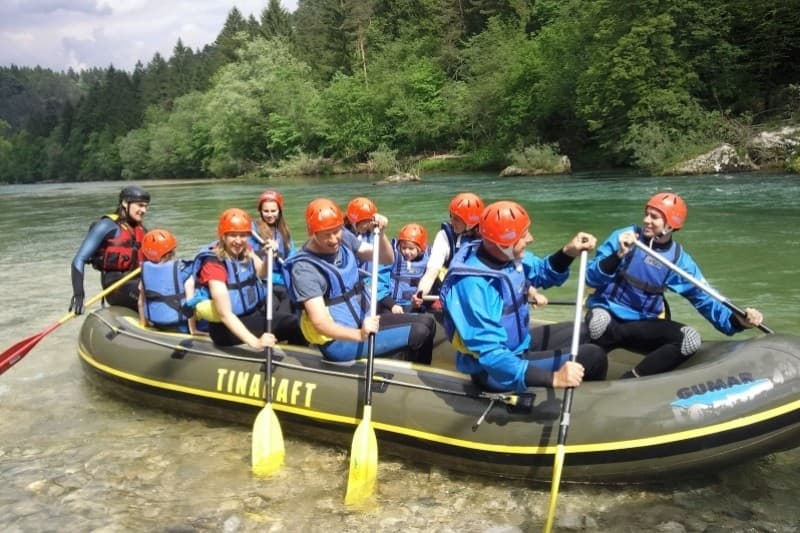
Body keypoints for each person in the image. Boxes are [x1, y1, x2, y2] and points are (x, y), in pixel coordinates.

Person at [584, 192, 764, 378]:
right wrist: (618, 255)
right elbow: (590, 278)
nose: (646, 220)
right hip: (607, 313)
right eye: (646, 214)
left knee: (690, 339)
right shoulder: (624, 236)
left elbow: (705, 298)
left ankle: (631, 380)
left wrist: (736, 320)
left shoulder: (679, 260)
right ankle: (589, 372)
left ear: (671, 225)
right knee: (598, 323)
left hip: (640, 325)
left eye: (654, 217)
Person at [440, 201, 607, 392]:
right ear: (504, 243)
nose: (530, 238)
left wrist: (568, 252)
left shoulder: (509, 256)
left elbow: (542, 271)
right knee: (594, 356)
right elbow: (491, 355)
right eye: (523, 235)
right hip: (493, 371)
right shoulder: (471, 285)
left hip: (519, 346)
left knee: (582, 331)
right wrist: (553, 378)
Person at [283, 198, 437, 364]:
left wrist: (382, 233)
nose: (334, 239)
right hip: (340, 342)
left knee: (428, 322)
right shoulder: (305, 269)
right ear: (312, 232)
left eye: (336, 231)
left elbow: (386, 258)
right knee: (419, 331)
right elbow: (320, 323)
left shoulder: (344, 237)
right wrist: (360, 335)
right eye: (327, 235)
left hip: (362, 320)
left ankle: (419, 371)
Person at [193, 208, 304, 349]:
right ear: (223, 236)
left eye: (242, 235)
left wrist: (269, 257)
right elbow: (224, 313)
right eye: (233, 235)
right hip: (226, 329)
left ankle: (288, 349)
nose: (238, 241)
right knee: (293, 324)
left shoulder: (246, 250)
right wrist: (256, 343)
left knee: (291, 308)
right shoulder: (214, 265)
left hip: (251, 314)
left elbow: (262, 273)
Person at [70, 185, 150, 314]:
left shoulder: (142, 230)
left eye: (146, 206)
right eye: (140, 205)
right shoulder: (106, 226)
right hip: (115, 287)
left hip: (138, 281)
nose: (144, 210)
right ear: (125, 203)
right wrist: (79, 296)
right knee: (151, 293)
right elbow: (79, 260)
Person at [411, 192, 484, 308]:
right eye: (451, 216)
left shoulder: (488, 237)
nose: (452, 222)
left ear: (470, 223)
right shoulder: (444, 236)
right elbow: (431, 272)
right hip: (452, 295)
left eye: (457, 219)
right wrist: (420, 293)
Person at [137, 229, 205, 335]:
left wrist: (143, 324)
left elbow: (141, 302)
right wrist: (193, 330)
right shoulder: (183, 271)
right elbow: (189, 302)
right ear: (172, 251)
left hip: (156, 323)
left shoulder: (146, 271)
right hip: (181, 325)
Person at [250, 189, 296, 317]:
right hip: (262, 281)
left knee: (289, 299)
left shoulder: (284, 232)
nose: (270, 215)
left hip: (281, 280)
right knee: (272, 303)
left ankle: (283, 328)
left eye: (273, 211)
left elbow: (292, 257)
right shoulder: (252, 230)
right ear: (260, 211)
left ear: (279, 211)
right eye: (266, 211)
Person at [344, 196, 394, 314]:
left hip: (369, 289)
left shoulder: (372, 232)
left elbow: (388, 259)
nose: (367, 225)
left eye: (369, 220)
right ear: (354, 221)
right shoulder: (343, 235)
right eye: (364, 221)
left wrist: (381, 232)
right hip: (353, 291)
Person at [382, 223, 433, 313]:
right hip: (393, 302)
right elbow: (382, 278)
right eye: (404, 247)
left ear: (420, 249)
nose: (406, 252)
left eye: (411, 248)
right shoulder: (393, 256)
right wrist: (392, 304)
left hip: (414, 303)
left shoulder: (429, 257)